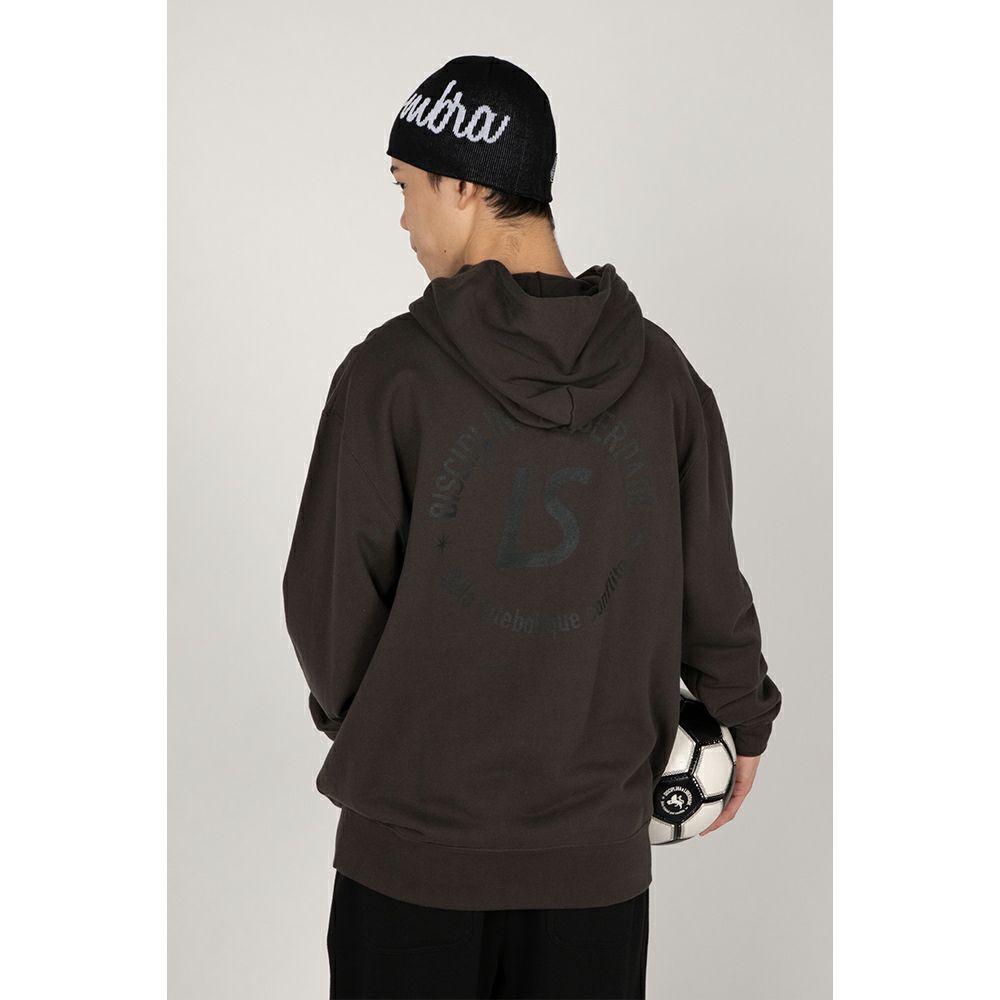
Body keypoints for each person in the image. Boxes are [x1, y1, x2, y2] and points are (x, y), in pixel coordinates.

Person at [282, 54, 783, 1000]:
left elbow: (329, 602)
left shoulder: (390, 375)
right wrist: (743, 716)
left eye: (405, 185)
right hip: (592, 874)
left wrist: (381, 730)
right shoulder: (663, 379)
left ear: (465, 184)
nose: (403, 220)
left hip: (410, 860)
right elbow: (709, 587)